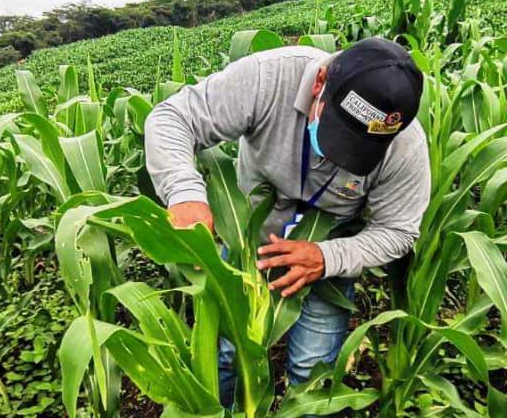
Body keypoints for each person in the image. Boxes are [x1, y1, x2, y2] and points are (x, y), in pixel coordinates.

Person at [144, 36, 430, 409]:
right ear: (319, 83)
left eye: (358, 149)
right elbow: (172, 118)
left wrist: (326, 257)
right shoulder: (269, 77)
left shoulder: (404, 146)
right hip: (248, 242)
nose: (336, 155)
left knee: (312, 377)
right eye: (336, 132)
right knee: (228, 354)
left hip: (327, 258)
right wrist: (185, 194)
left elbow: (398, 230)